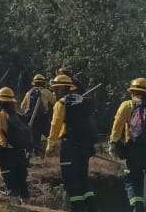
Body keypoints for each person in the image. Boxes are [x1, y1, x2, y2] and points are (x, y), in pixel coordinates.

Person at [110, 78, 146, 212]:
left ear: (133, 92)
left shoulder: (127, 105)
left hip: (134, 150)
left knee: (133, 178)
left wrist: (113, 143)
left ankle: (137, 206)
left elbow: (117, 126)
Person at [46, 74, 97, 211]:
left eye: (56, 89)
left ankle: (78, 209)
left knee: (70, 180)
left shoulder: (61, 103)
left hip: (70, 146)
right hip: (85, 146)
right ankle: (92, 208)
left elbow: (55, 125)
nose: (54, 92)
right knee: (83, 178)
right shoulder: (82, 100)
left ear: (62, 88)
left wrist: (50, 145)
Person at [0, 88, 29, 199]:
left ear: (0, 102)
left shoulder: (0, 116)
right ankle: (26, 201)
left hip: (6, 152)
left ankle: (14, 203)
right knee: (22, 178)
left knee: (9, 178)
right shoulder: (18, 116)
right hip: (20, 152)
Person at [20, 74, 54, 157]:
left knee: (35, 138)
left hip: (31, 119)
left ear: (34, 83)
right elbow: (54, 103)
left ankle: (36, 154)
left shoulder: (28, 93)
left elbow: (22, 106)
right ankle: (52, 152)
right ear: (43, 83)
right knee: (51, 135)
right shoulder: (47, 92)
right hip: (43, 118)